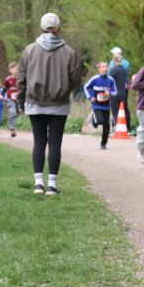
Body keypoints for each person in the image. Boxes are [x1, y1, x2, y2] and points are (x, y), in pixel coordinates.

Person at [17, 12, 85, 195]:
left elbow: (21, 78)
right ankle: (52, 185)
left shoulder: (29, 50)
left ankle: (38, 183)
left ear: (41, 27)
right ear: (58, 28)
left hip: (35, 102)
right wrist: (65, 88)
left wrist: (20, 100)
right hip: (59, 104)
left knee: (39, 142)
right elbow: (76, 78)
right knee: (55, 143)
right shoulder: (70, 52)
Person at [84, 61, 118, 150]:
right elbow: (85, 87)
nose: (105, 69)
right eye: (103, 67)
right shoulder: (94, 79)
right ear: (99, 69)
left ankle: (103, 143)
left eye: (106, 67)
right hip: (96, 105)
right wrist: (90, 97)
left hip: (106, 105)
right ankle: (94, 118)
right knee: (100, 120)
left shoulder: (111, 80)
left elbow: (115, 92)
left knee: (106, 125)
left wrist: (110, 92)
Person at [108, 47, 131, 130]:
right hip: (124, 92)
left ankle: (117, 127)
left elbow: (109, 81)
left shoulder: (113, 70)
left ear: (114, 60)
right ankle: (127, 127)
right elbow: (127, 82)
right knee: (125, 109)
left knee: (115, 110)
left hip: (115, 93)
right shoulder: (125, 68)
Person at [3, 62, 19, 137]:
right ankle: (12, 129)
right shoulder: (8, 80)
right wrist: (0, 94)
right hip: (10, 99)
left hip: (20, 99)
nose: (15, 70)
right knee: (12, 113)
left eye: (17, 69)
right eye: (13, 69)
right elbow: (4, 88)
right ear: (10, 70)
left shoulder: (21, 79)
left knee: (17, 113)